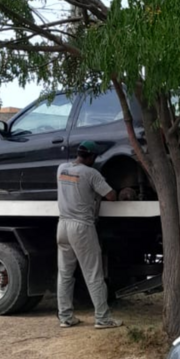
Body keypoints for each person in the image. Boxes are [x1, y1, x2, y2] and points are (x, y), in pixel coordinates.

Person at [56, 141, 124, 329]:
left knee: (65, 274)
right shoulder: (91, 173)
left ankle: (65, 317)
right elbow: (111, 196)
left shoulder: (62, 169)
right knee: (94, 274)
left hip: (62, 226)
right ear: (91, 157)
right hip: (81, 227)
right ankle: (103, 319)